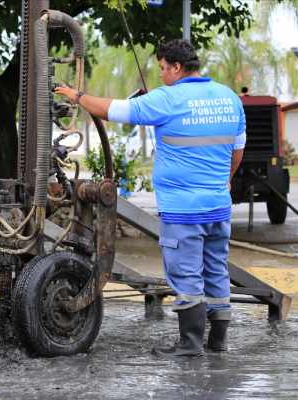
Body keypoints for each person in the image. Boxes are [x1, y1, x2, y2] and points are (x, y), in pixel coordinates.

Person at [55, 39, 246, 356]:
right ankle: (218, 341)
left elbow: (113, 110)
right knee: (215, 270)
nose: (160, 75)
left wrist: (76, 96)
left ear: (176, 67)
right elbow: (237, 153)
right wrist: (223, 182)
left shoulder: (167, 99)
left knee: (185, 274)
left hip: (183, 211)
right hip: (217, 208)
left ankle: (190, 344)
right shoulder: (229, 98)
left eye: (162, 68)